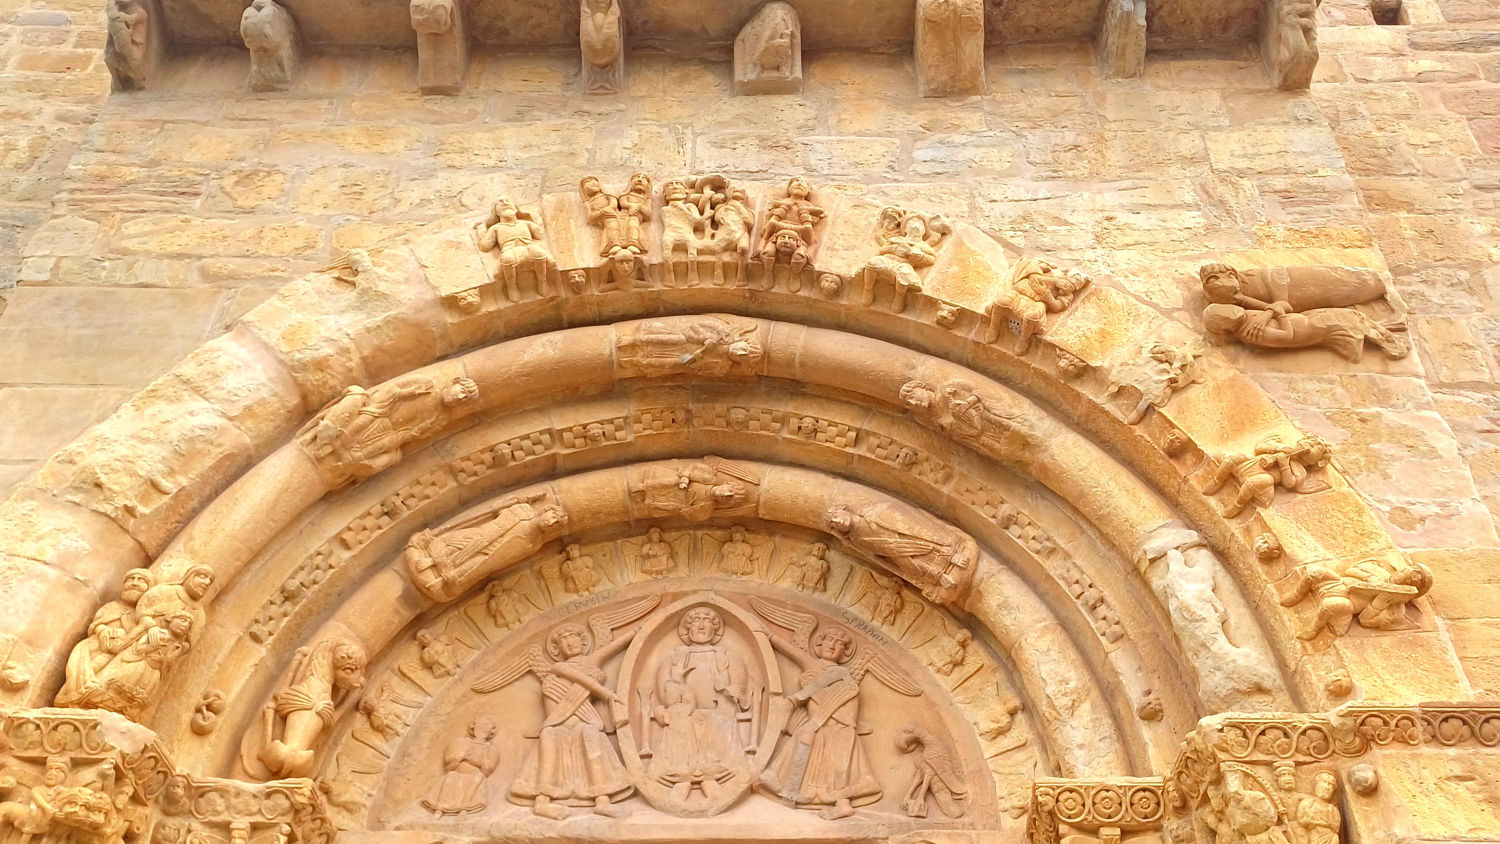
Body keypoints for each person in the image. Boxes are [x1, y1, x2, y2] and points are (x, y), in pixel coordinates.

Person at [423, 717, 500, 815]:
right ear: (473, 727)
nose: (482, 730)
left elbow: (490, 766)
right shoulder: (460, 742)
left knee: (477, 779)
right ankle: (440, 807)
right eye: (480, 726)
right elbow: (448, 758)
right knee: (450, 778)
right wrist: (458, 756)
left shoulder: (491, 749)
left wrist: (477, 762)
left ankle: (465, 808)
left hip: (475, 775)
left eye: (486, 727)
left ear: (491, 731)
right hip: (456, 772)